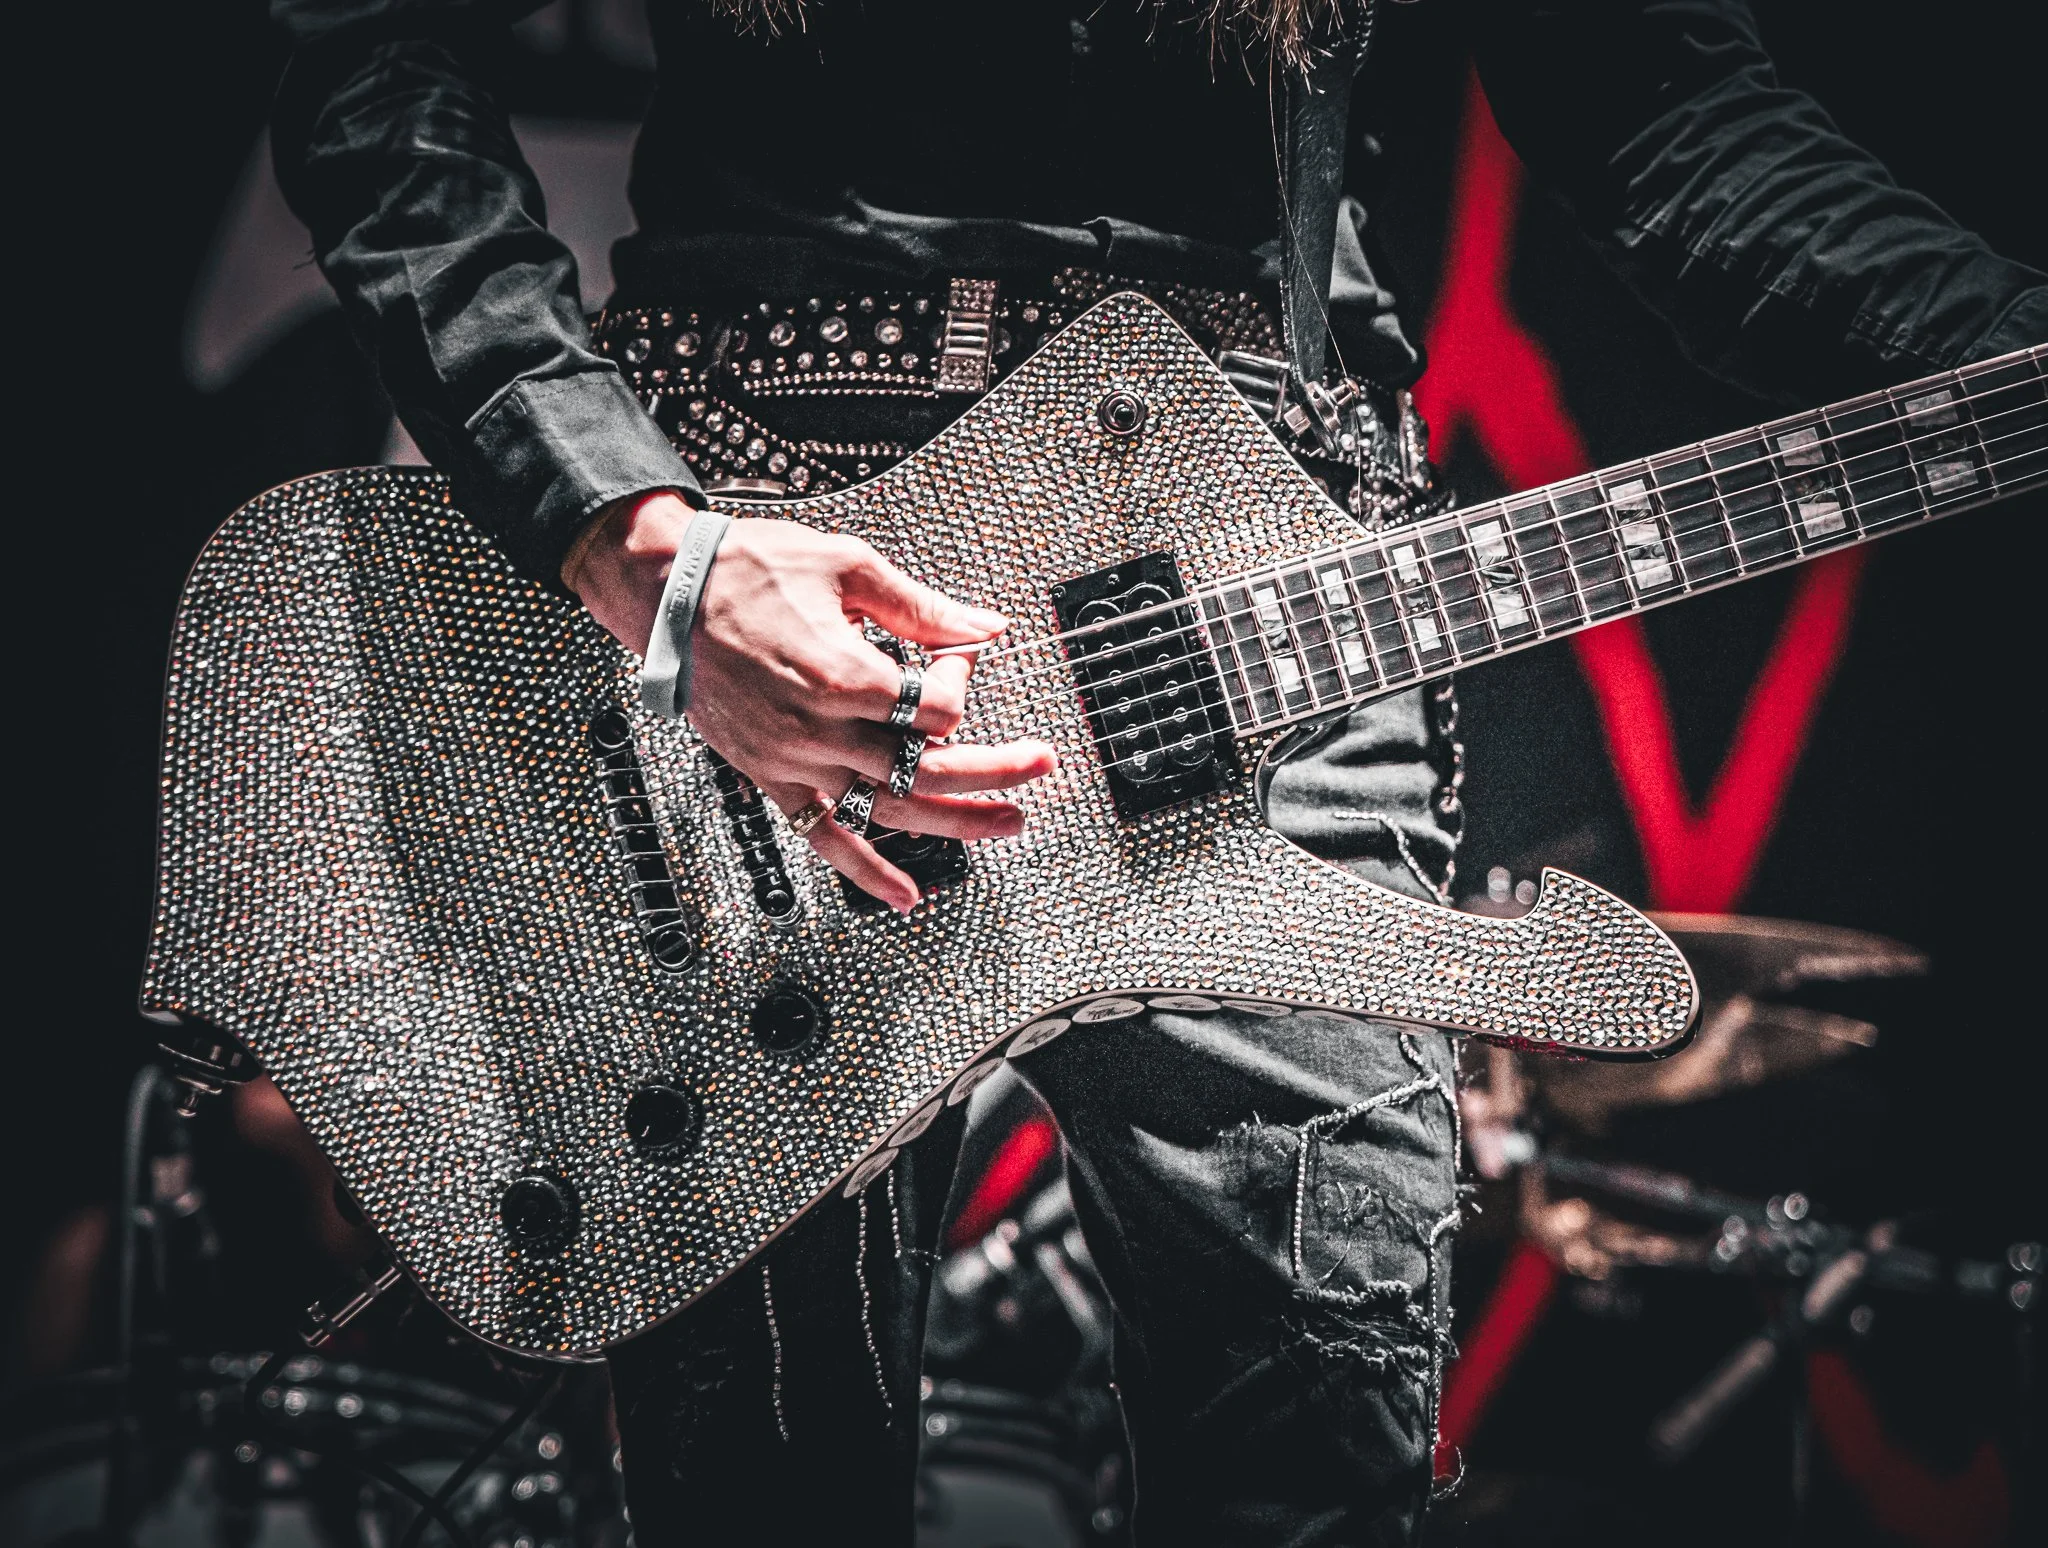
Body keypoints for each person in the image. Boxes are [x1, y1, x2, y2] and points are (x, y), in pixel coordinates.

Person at [268, 1, 2045, 1541]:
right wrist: (635, 539)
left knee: (1319, 1484)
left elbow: (1665, 101)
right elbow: (365, 45)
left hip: (1259, 593)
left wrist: (2002, 347)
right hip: (766, 587)